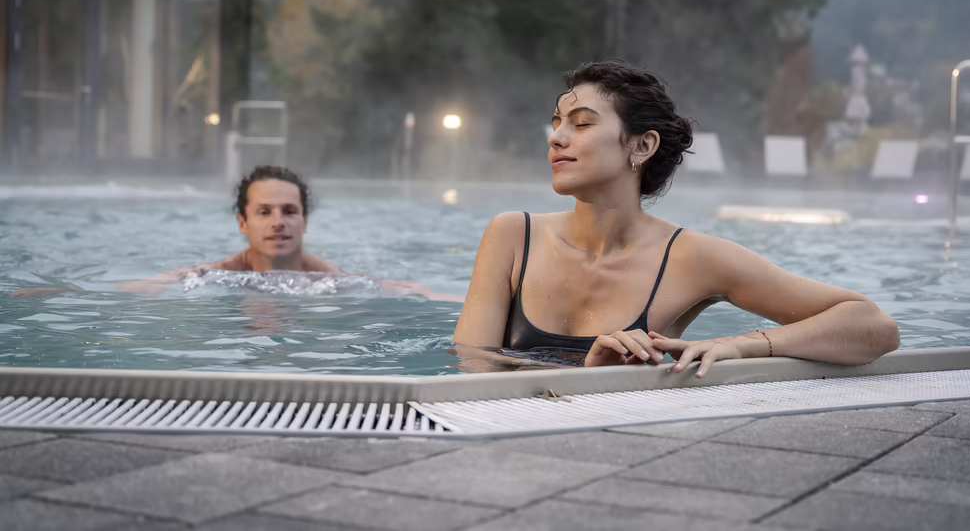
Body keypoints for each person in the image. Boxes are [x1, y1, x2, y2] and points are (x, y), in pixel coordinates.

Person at [453, 59, 900, 373]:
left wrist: (738, 347)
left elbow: (872, 326)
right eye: (557, 122)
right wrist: (582, 372)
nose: (557, 138)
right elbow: (470, 365)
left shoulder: (692, 258)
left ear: (641, 146)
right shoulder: (513, 235)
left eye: (582, 123)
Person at [113, 165, 461, 302]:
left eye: (290, 211)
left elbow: (413, 293)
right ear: (243, 223)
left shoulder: (330, 279)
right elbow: (150, 286)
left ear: (305, 222)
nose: (278, 222)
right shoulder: (216, 274)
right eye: (264, 212)